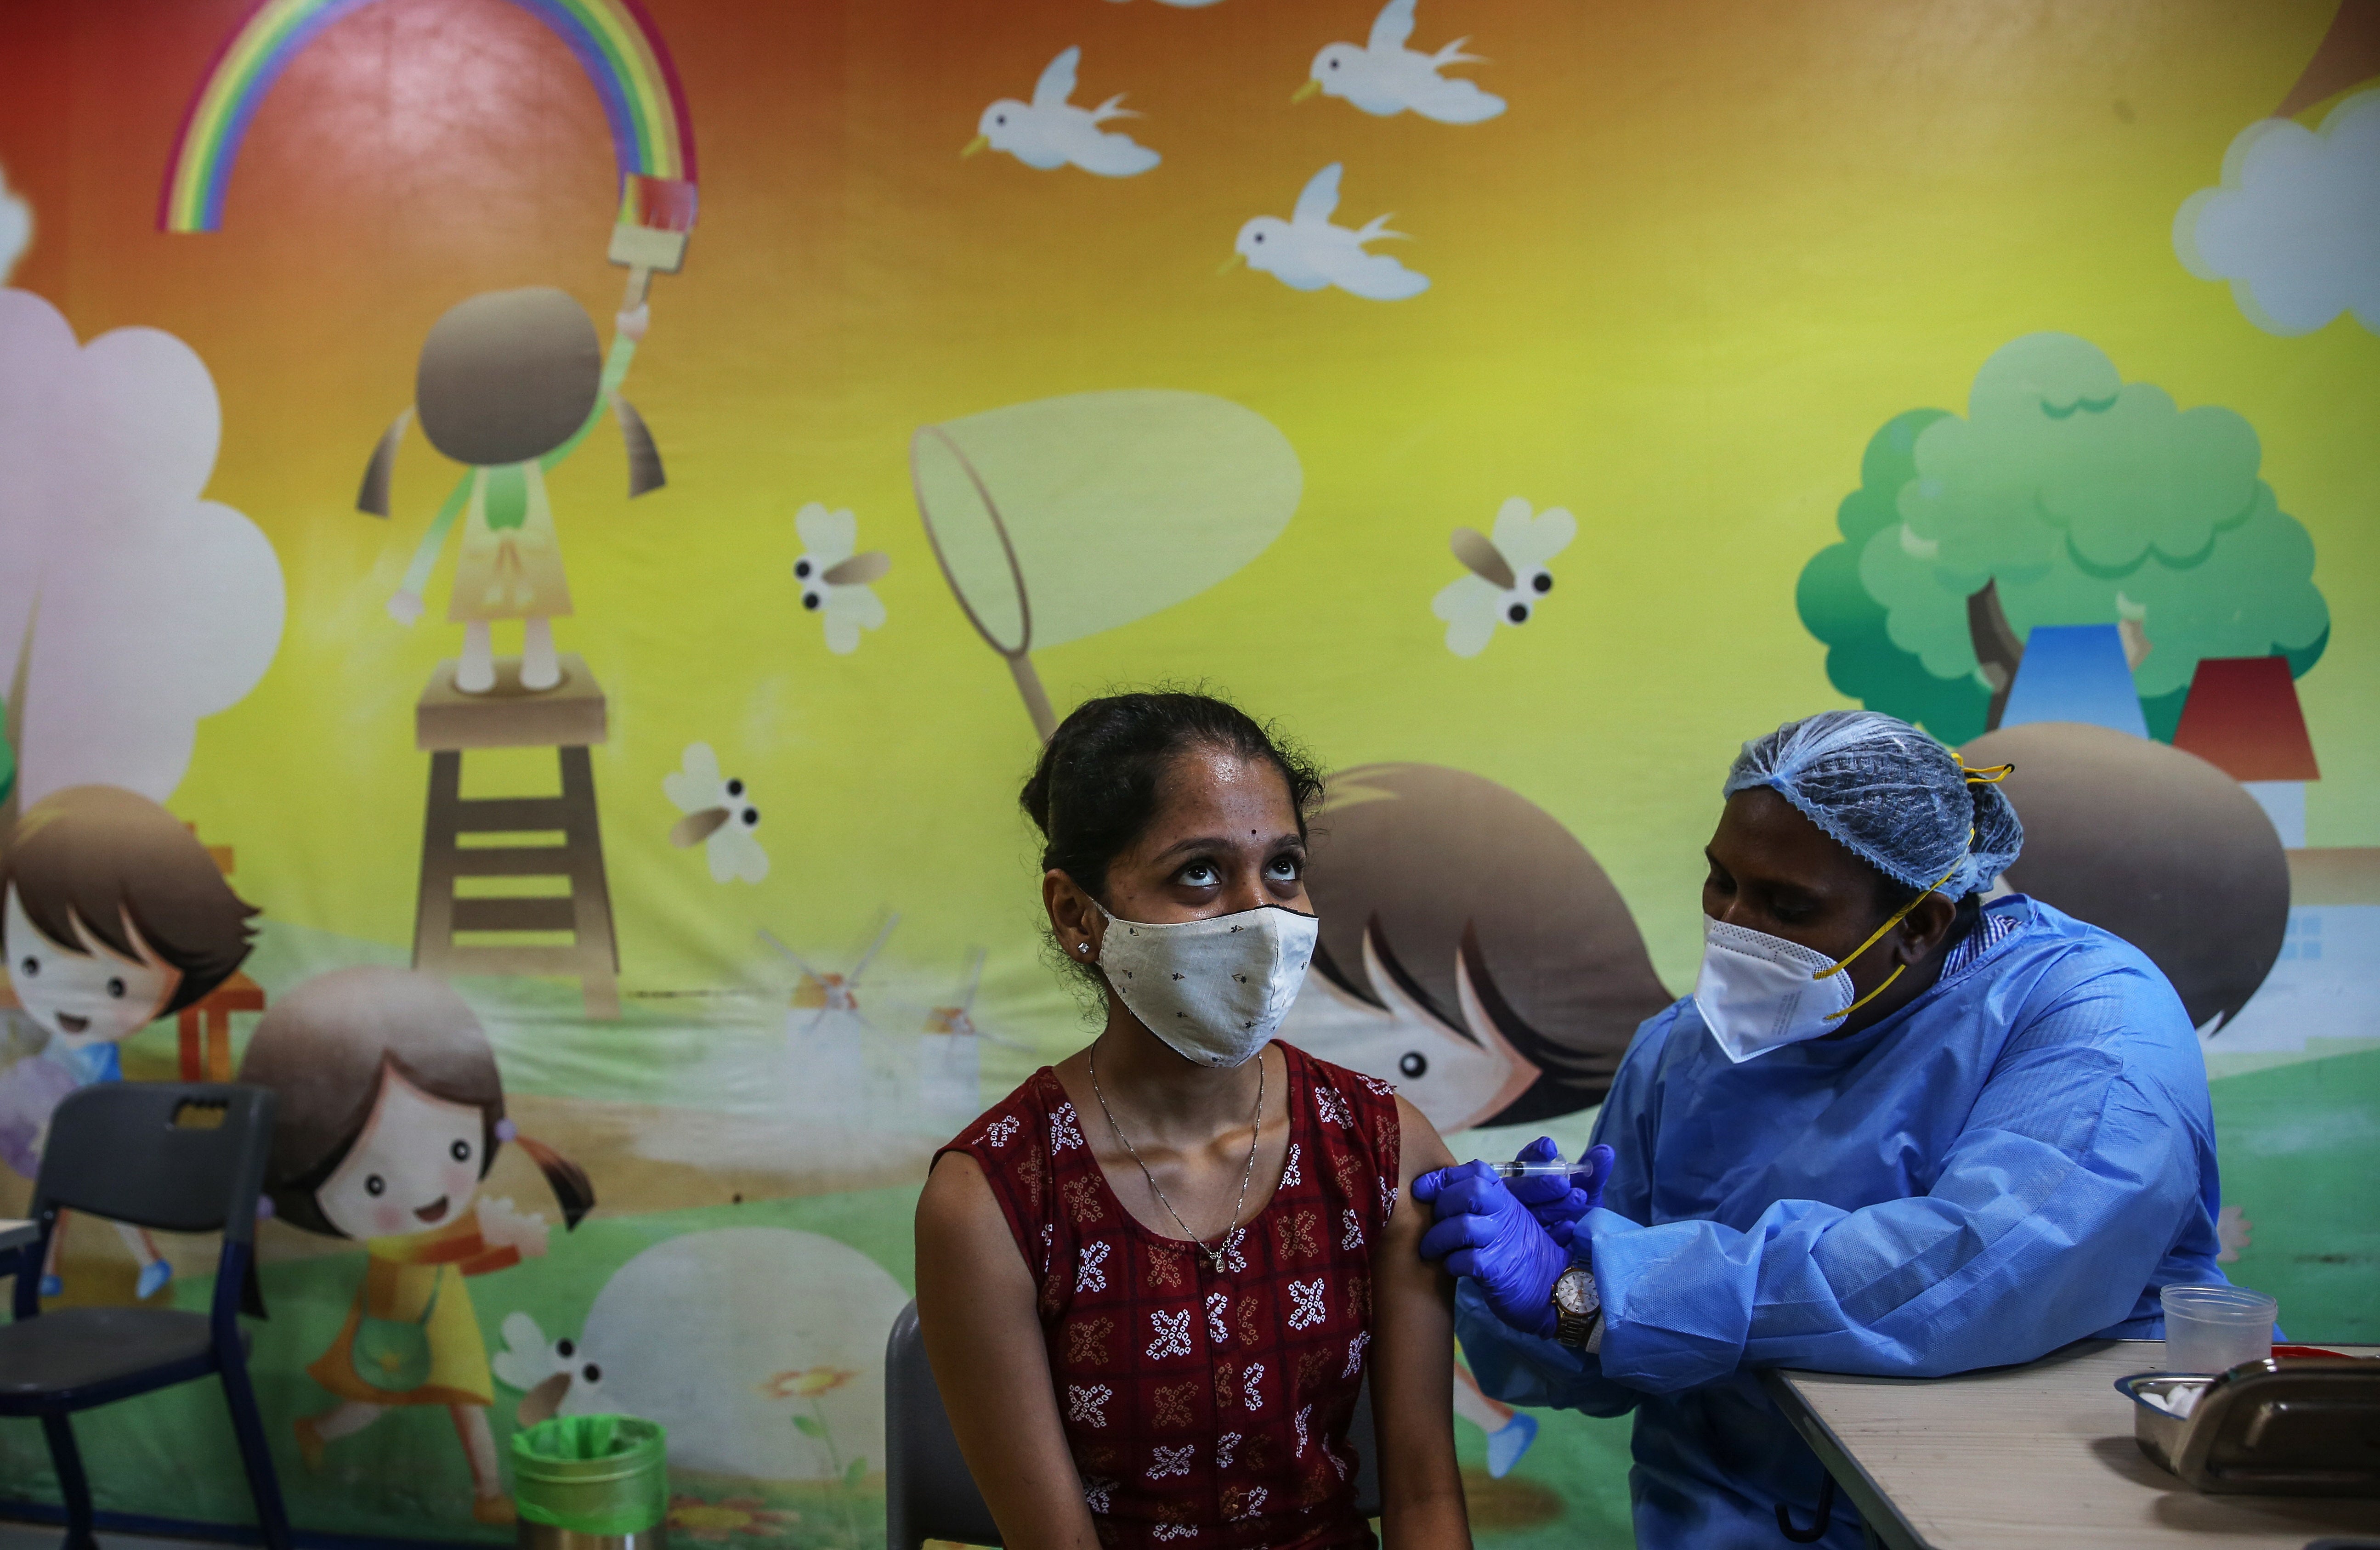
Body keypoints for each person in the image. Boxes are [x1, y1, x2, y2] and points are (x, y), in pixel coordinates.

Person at [1414, 710, 2224, 1550]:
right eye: (1720, 879)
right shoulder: (1684, 1050)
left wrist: (1612, 1283)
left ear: (1920, 924)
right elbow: (1599, 1341)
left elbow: (1981, 1268)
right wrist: (1538, 1279)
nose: (1734, 923)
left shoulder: (2093, 1015)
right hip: (1731, 1512)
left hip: (2020, 1506)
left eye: (1786, 903)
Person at [916, 692, 1471, 1550]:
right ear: (1077, 916)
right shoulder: (993, 1197)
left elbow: (1427, 1495)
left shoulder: (1381, 1146)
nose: (1262, 915)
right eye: (1200, 872)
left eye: (1283, 865)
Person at [237, 966, 594, 1525]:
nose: (425, 1190)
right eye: (373, 1183)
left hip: (443, 1313)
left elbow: (454, 1259)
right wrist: (497, 1240)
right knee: (380, 1399)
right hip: (401, 1319)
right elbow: (429, 1255)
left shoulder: (443, 1228)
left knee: (462, 1399)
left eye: (457, 1149)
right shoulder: (392, 1245)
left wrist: (508, 1246)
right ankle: (319, 1430)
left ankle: (487, 1492)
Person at [0, 784, 259, 1300]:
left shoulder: (101, 1057)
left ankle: (134, 1261)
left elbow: (106, 1097)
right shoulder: (47, 1051)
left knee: (95, 1200)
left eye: (118, 986)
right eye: (32, 964)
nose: (75, 1003)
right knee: (59, 1203)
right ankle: (48, 1270)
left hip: (83, 1127)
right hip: (48, 1119)